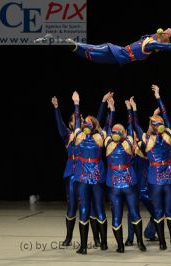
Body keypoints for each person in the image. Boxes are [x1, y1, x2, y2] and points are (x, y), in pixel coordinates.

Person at [51, 94, 111, 247]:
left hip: (88, 173)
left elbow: (97, 120)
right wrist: (56, 108)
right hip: (73, 175)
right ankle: (68, 237)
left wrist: (103, 102)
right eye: (78, 120)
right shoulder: (69, 136)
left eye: (83, 120)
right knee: (72, 206)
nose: (82, 121)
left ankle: (97, 239)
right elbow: (59, 124)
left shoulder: (89, 136)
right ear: (72, 124)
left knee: (91, 207)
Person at [132, 85, 171, 251]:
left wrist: (158, 97)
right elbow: (136, 126)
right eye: (155, 123)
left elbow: (165, 115)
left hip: (168, 176)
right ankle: (163, 242)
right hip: (156, 178)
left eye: (158, 123)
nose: (157, 125)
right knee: (159, 212)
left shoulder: (168, 134)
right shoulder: (148, 138)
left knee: (168, 211)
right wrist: (135, 110)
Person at [103, 98, 146, 253]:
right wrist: (113, 109)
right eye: (113, 131)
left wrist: (126, 110)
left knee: (134, 213)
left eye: (117, 130)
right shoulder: (112, 141)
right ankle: (121, 245)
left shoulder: (127, 141)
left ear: (123, 133)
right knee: (117, 216)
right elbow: (109, 126)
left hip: (128, 183)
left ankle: (139, 242)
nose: (114, 132)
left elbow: (128, 126)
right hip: (115, 185)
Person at [71, 91, 108, 254]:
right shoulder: (80, 136)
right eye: (84, 122)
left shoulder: (100, 137)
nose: (85, 124)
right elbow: (78, 123)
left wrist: (105, 105)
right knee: (85, 209)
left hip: (94, 176)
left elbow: (96, 121)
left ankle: (103, 243)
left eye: (88, 123)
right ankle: (85, 246)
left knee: (99, 208)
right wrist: (76, 104)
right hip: (84, 177)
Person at [34, 29, 171, 64]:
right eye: (160, 47)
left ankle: (56, 40)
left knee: (83, 53)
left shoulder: (152, 37)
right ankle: (53, 38)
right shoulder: (152, 44)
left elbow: (166, 34)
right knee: (87, 49)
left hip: (117, 56)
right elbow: (167, 47)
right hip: (117, 52)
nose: (159, 50)